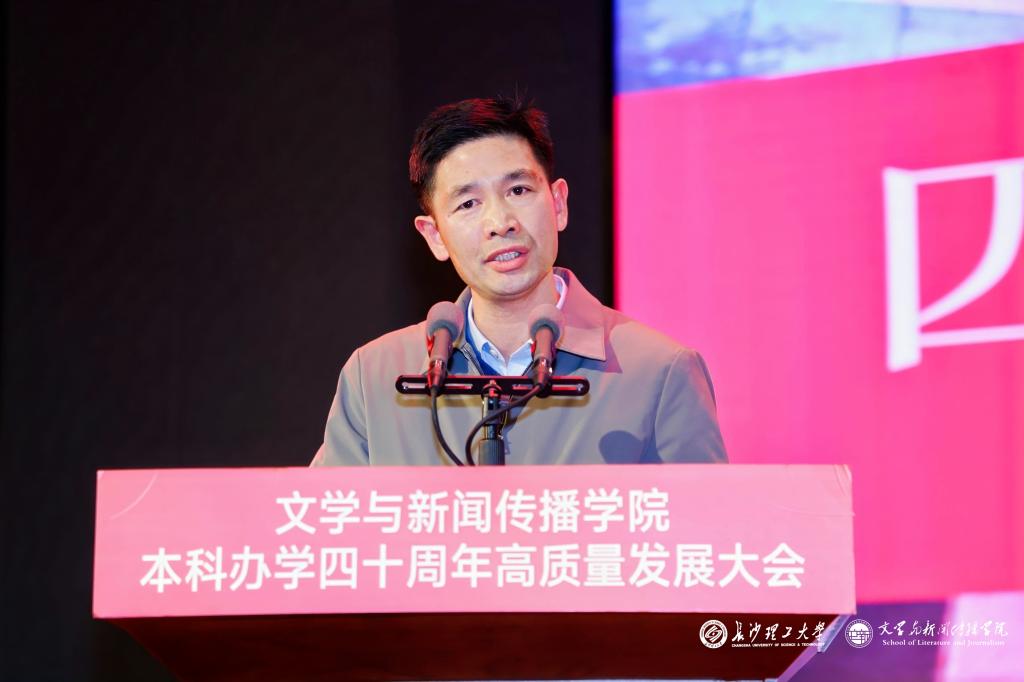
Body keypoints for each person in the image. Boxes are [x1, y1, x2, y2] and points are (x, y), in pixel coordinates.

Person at [311, 97, 726, 466]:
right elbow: (329, 524)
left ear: (558, 204)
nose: (500, 222)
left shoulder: (659, 372)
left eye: (519, 190)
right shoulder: (374, 377)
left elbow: (705, 524)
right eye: (468, 203)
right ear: (434, 235)